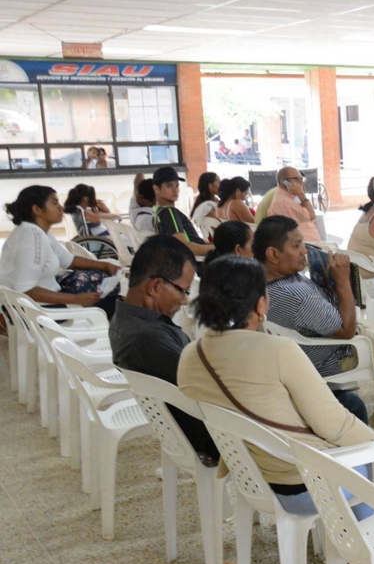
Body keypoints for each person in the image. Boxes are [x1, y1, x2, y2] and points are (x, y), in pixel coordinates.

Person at [177, 255, 374, 520]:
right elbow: (335, 425)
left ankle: (367, 527)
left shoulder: (190, 356)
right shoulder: (277, 350)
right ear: (260, 303)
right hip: (310, 483)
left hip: (255, 479)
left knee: (365, 440)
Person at [254, 216, 374, 425]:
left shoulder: (258, 279)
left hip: (312, 343)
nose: (304, 251)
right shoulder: (298, 295)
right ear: (273, 254)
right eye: (296, 246)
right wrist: (342, 280)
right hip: (337, 353)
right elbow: (347, 331)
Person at [109, 236, 217, 465]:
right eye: (183, 291)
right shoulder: (148, 340)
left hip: (187, 424)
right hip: (216, 438)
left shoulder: (126, 317)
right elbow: (209, 393)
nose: (185, 301)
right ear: (155, 287)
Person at [0, 186, 120, 316]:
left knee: (106, 282)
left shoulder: (38, 231)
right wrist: (76, 299)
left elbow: (68, 260)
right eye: (54, 202)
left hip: (41, 300)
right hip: (38, 310)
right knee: (114, 304)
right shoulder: (33, 238)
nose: (61, 207)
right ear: (37, 210)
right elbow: (25, 289)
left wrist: (104, 265)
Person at [151, 167, 214, 259]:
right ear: (156, 188)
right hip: (197, 261)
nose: (175, 190)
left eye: (177, 186)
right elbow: (184, 247)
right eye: (169, 186)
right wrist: (218, 248)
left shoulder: (156, 211)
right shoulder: (169, 212)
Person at [267, 166, 320, 242]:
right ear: (284, 182)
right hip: (304, 245)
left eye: (302, 179)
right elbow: (312, 216)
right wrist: (301, 194)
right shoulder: (284, 202)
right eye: (298, 179)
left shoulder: (289, 196)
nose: (301, 182)